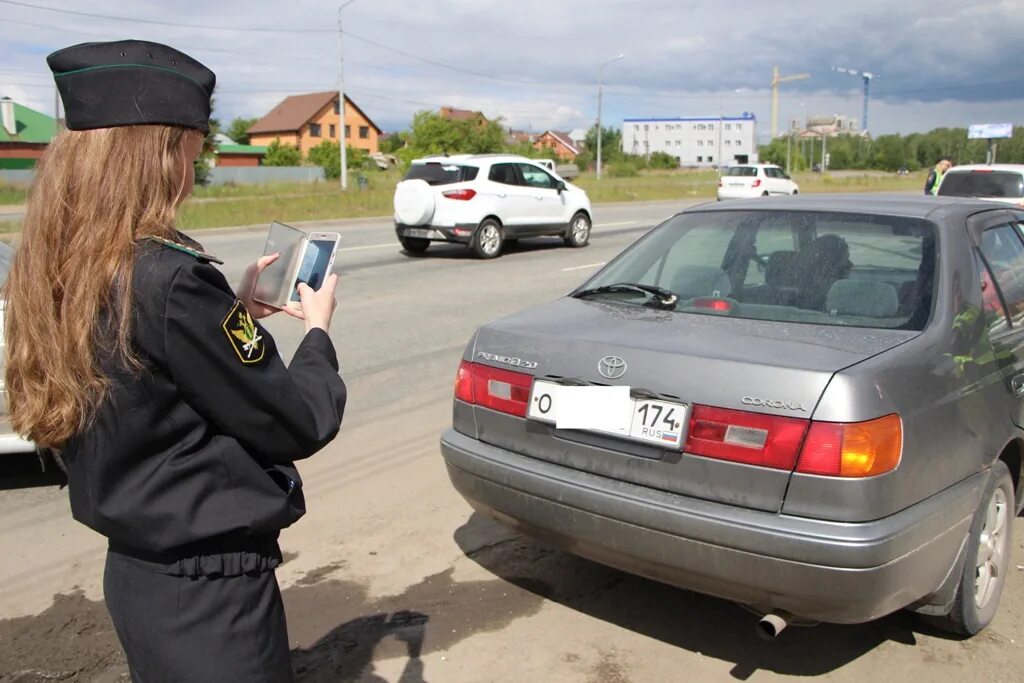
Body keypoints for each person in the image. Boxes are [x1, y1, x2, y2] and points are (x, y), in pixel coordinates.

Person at [3, 40, 347, 681]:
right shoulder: (172, 281)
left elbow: (149, 377)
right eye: (189, 154)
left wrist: (233, 313)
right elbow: (297, 419)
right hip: (210, 600)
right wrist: (319, 332)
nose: (192, 173)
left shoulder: (62, 265)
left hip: (137, 578)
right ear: (154, 158)